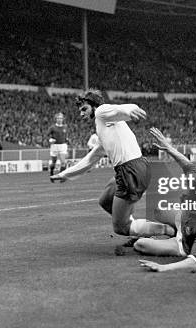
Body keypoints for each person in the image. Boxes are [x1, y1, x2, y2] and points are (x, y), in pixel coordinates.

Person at [50, 90, 174, 238]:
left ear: (94, 106)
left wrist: (132, 109)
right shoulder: (103, 126)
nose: (82, 114)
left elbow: (120, 108)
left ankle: (170, 230)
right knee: (105, 200)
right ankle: (137, 231)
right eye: (80, 111)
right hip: (135, 167)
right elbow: (91, 159)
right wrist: (66, 174)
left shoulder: (101, 112)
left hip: (130, 170)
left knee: (120, 227)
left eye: (84, 109)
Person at [136, 127, 196, 273]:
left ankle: (171, 233)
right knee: (158, 212)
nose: (183, 194)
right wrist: (168, 148)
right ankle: (171, 229)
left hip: (185, 244)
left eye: (187, 194)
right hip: (186, 219)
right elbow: (188, 166)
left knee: (140, 244)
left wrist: (163, 267)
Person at [48, 112, 68, 177]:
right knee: (54, 162)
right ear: (56, 119)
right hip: (54, 146)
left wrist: (66, 139)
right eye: (58, 118)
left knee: (63, 162)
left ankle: (60, 176)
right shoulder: (52, 127)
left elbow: (65, 135)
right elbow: (47, 135)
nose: (60, 119)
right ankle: (51, 172)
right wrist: (50, 140)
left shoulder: (65, 127)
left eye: (61, 118)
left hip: (62, 146)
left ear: (63, 119)